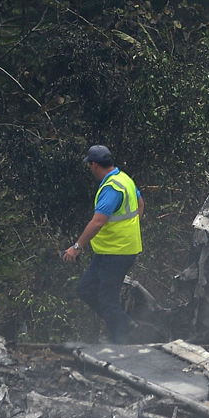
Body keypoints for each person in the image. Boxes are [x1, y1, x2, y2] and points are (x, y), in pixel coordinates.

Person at [62, 145, 143, 344]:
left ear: (94, 165)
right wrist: (131, 229)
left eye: (90, 165)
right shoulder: (124, 179)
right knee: (85, 289)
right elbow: (141, 205)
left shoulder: (112, 188)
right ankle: (124, 323)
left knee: (108, 301)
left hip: (117, 253)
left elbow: (98, 221)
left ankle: (120, 343)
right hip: (108, 252)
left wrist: (76, 247)